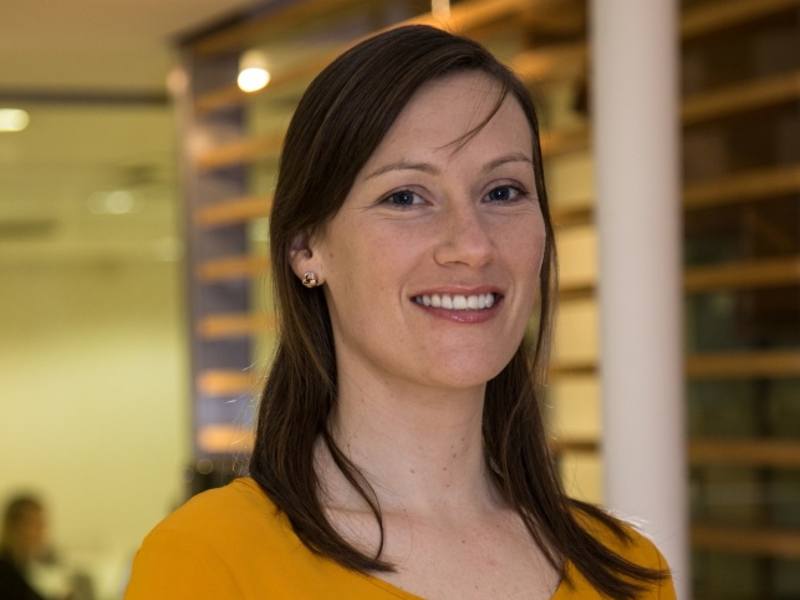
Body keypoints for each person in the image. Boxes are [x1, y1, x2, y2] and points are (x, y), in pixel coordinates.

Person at [125, 24, 676, 599]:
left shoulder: (629, 571)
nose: (472, 245)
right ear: (306, 247)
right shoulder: (210, 563)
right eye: (406, 197)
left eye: (503, 192)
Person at [0, 494, 48, 600]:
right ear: (14, 527)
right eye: (35, 523)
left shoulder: (18, 566)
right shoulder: (5, 572)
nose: (42, 530)